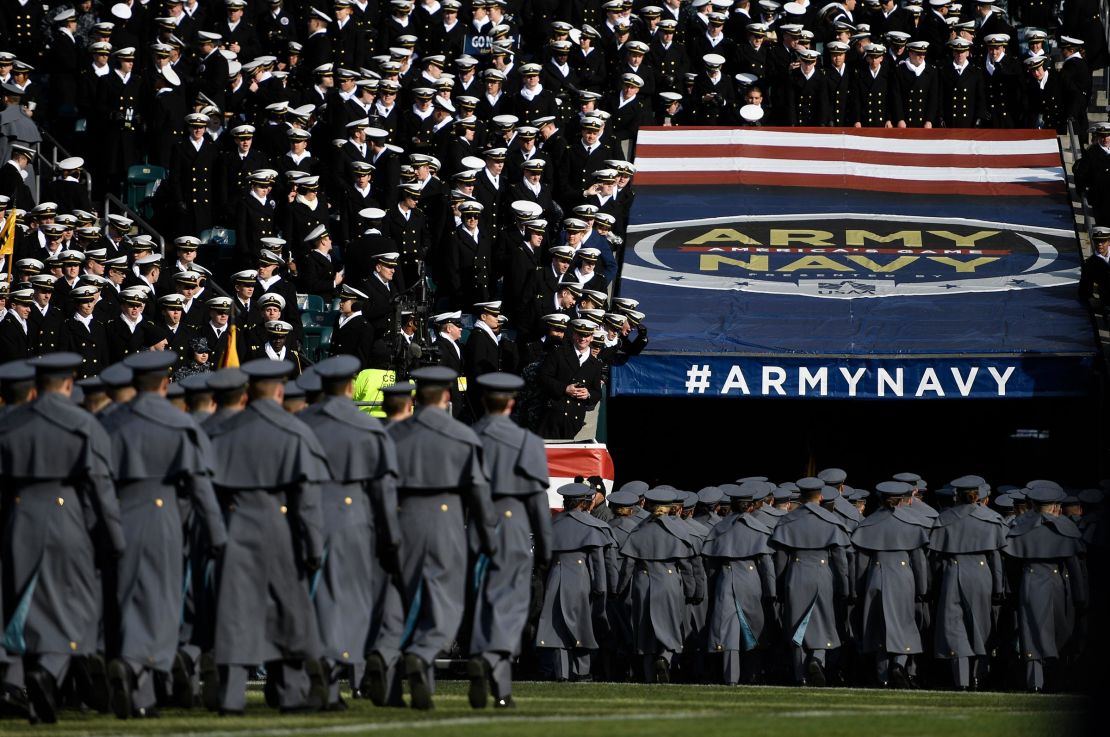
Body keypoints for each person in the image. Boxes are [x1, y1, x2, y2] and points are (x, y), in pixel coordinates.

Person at [0, 353, 125, 724]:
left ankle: (20, 678)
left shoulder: (9, 423)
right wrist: (112, 537)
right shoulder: (82, 423)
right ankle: (50, 671)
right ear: (69, 385)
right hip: (67, 513)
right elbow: (101, 486)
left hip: (19, 515)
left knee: (21, 602)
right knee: (75, 602)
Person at [102, 351, 227, 719]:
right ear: (162, 383)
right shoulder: (178, 423)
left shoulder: (111, 421)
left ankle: (136, 678)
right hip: (164, 513)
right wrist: (217, 533)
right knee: (161, 601)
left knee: (123, 598)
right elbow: (200, 485)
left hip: (119, 512)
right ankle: (139, 668)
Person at [206, 358, 331, 714]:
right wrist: (314, 546)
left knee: (234, 612)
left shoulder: (224, 432)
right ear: (279, 390)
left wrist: (216, 537)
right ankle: (290, 692)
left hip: (236, 524)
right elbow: (306, 501)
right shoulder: (295, 432)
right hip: (280, 526)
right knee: (289, 611)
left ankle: (231, 696)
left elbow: (208, 490)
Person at [382, 365, 496, 709]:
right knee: (444, 602)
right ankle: (422, 652)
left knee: (405, 602)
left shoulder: (394, 434)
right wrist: (487, 534)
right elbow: (477, 490)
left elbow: (382, 486)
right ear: (447, 396)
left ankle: (403, 676)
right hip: (446, 518)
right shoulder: (462, 435)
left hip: (404, 518)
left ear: (415, 398)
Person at [297, 355, 401, 710]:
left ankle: (319, 679)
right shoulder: (367, 427)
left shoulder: (301, 423)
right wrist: (390, 536)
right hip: (353, 516)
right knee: (353, 603)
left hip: (303, 515)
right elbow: (383, 488)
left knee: (313, 602)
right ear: (348, 386)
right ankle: (337, 668)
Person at [466, 373, 553, 709]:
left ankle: (498, 684)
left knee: (482, 603)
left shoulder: (468, 437)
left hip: (475, 525)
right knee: (511, 606)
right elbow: (536, 502)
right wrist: (545, 549)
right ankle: (490, 659)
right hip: (512, 523)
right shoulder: (527, 442)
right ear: (513, 403)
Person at [616, 488, 706, 683]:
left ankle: (650, 678)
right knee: (671, 626)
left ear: (648, 506)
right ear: (669, 508)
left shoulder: (638, 530)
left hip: (643, 582)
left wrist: (619, 589)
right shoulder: (678, 531)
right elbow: (686, 565)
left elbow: (628, 567)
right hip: (669, 581)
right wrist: (691, 591)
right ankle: (664, 657)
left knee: (645, 630)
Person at [1003, 485, 1087, 692]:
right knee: (1059, 630)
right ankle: (1057, 680)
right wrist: (1080, 597)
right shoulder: (1064, 527)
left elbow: (1012, 566)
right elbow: (1074, 566)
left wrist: (1013, 592)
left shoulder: (1021, 526)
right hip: (1057, 582)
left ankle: (1035, 682)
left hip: (1029, 581)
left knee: (1032, 631)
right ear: (1055, 506)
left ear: (1032, 504)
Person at [928, 475, 1008, 690]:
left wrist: (935, 584)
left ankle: (962, 680)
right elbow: (996, 558)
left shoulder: (945, 518)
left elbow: (935, 559)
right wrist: (998, 588)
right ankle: (977, 676)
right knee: (980, 626)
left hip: (952, 573)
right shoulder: (990, 518)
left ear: (957, 495)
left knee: (955, 628)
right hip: (982, 575)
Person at [768, 480, 852, 686]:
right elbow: (840, 560)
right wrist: (844, 587)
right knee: (823, 620)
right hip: (822, 574)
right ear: (821, 497)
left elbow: (780, 560)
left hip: (795, 574)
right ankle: (817, 659)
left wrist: (778, 586)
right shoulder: (831, 520)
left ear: (800, 496)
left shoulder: (788, 520)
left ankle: (800, 675)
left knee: (796, 624)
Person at [851, 481, 930, 688]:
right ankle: (899, 664)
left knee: (878, 627)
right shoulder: (911, 523)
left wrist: (858, 589)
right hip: (903, 577)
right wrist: (922, 589)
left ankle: (883, 677)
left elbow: (861, 563)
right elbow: (919, 561)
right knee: (904, 624)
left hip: (875, 576)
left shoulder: (868, 523)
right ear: (904, 498)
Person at [535, 483, 618, 682]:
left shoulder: (552, 525)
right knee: (583, 626)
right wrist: (601, 589)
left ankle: (561, 671)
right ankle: (582, 672)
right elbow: (598, 563)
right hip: (581, 580)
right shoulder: (593, 526)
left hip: (555, 576)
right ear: (585, 503)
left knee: (557, 626)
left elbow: (542, 560)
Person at [702, 484, 777, 685]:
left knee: (728, 631)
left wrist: (711, 589)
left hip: (725, 579)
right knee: (753, 628)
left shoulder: (719, 528)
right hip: (751, 581)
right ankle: (752, 675)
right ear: (751, 506)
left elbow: (710, 565)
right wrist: (771, 593)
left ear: (732, 506)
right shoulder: (758, 528)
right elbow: (766, 565)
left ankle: (731, 677)